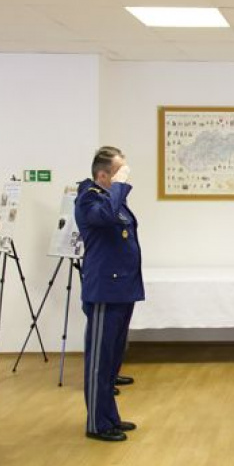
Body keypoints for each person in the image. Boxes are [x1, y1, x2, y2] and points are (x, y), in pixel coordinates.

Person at [75, 146, 145, 442]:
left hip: (122, 289)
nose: (124, 177)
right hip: (105, 290)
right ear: (103, 176)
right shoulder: (89, 198)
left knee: (112, 360)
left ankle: (110, 417)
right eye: (118, 172)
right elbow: (105, 216)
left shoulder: (108, 198)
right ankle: (97, 424)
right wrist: (119, 186)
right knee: (99, 363)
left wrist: (116, 188)